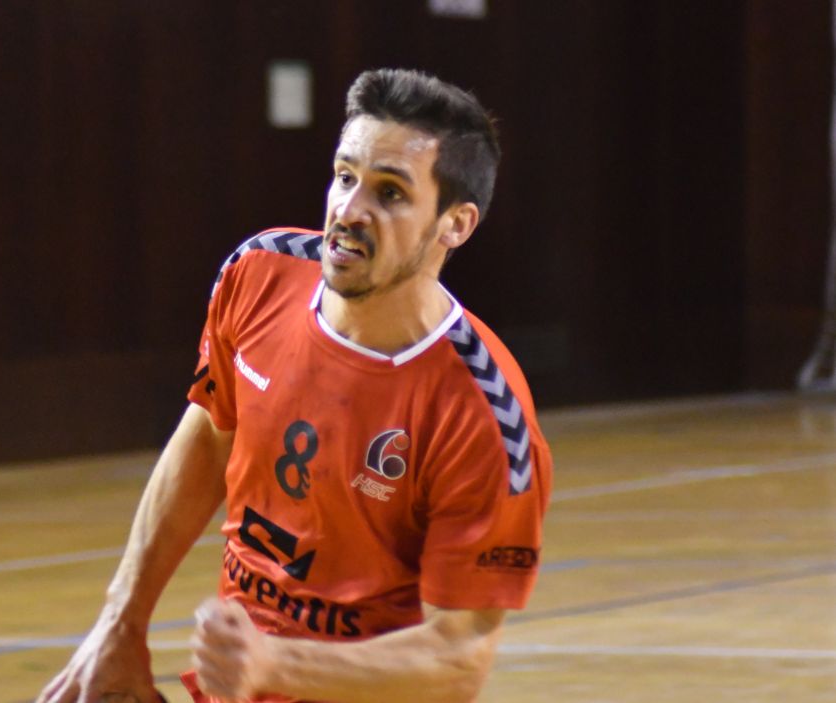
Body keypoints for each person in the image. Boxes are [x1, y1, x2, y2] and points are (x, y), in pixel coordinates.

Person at [37, 67, 552, 703]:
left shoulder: (484, 415)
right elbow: (207, 438)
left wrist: (276, 666)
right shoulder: (258, 273)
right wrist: (120, 622)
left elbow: (458, 660)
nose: (350, 210)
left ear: (455, 224)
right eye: (344, 177)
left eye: (389, 193)